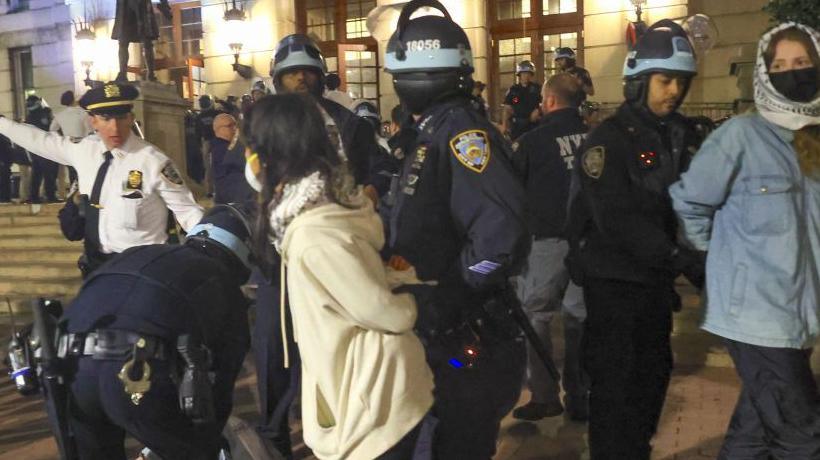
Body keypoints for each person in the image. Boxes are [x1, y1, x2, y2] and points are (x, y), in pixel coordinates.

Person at [245, 93, 434, 460]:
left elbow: (385, 311)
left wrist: (409, 298)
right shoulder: (311, 212)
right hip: (366, 387)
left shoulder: (314, 235)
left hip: (373, 400)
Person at [384, 1, 529, 457]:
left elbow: (500, 234)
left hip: (462, 330)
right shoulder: (432, 131)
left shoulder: (462, 133)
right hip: (435, 328)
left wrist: (451, 295)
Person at [669, 22, 820, 459]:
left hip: (799, 313)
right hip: (757, 316)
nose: (791, 73)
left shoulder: (813, 138)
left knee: (753, 432)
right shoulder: (740, 136)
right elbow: (688, 201)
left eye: (802, 63)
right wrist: (719, 261)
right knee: (803, 437)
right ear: (763, 72)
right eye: (779, 65)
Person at [565, 19, 706, 459]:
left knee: (652, 380)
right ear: (638, 81)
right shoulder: (607, 141)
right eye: (665, 81)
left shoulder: (680, 134)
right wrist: (681, 258)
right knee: (615, 390)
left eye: (681, 82)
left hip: (655, 287)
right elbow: (617, 218)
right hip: (616, 286)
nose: (674, 92)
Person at [56, 205, 252, 459]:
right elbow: (220, 384)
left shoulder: (137, 253)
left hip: (69, 366)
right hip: (135, 373)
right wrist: (205, 440)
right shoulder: (223, 282)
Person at [0, 82, 203, 276]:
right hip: (97, 267)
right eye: (106, 118)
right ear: (93, 121)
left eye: (121, 117)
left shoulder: (152, 162)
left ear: (131, 118)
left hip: (143, 269)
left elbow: (188, 211)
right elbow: (38, 140)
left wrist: (211, 250)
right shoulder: (84, 150)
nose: (115, 128)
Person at [510, 73, 590, 422]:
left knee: (535, 316)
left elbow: (514, 191)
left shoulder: (533, 142)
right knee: (579, 319)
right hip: (588, 242)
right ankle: (580, 395)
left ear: (551, 101)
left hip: (547, 242)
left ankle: (545, 395)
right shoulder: (597, 137)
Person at [112, 0, 171, 81]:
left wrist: (164, 5)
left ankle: (151, 74)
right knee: (123, 41)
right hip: (125, 6)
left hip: (141, 5)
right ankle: (122, 73)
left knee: (147, 41)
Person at [51, 90, 92, 188]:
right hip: (82, 143)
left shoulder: (60, 115)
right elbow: (90, 130)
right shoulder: (83, 113)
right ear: (74, 99)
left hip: (67, 144)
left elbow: (52, 129)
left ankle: (73, 192)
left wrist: (61, 139)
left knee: (71, 170)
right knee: (83, 169)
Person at [210, 113, 254, 205]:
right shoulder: (221, 148)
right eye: (230, 126)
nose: (235, 128)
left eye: (236, 125)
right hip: (233, 197)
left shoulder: (229, 145)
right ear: (218, 129)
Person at [25, 95, 60, 203]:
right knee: (48, 173)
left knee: (37, 173)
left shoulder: (29, 117)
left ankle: (34, 196)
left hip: (35, 148)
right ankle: (50, 195)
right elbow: (49, 127)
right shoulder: (42, 113)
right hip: (45, 146)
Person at [502, 60, 542, 140]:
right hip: (518, 126)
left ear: (531, 75)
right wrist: (504, 126)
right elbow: (507, 109)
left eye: (528, 73)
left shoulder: (537, 88)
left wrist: (538, 110)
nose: (526, 76)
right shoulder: (513, 90)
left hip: (534, 125)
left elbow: (545, 103)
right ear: (519, 75)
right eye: (524, 73)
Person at [0, 135, 12, 203]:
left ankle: (5, 197)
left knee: (5, 180)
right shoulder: (3, 137)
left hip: (5, 162)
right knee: (4, 180)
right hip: (4, 162)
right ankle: (4, 198)